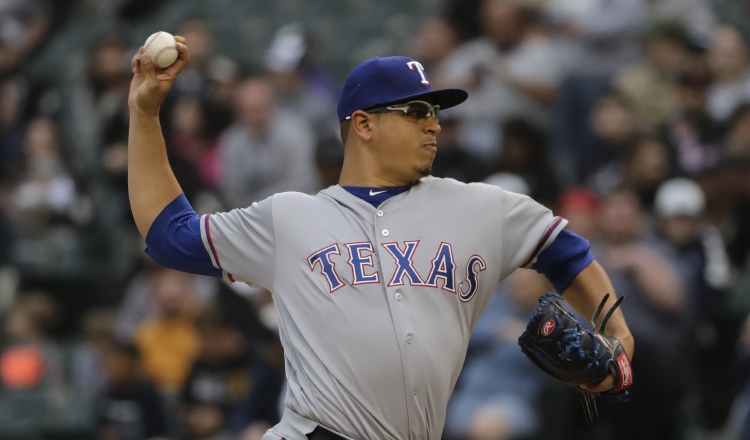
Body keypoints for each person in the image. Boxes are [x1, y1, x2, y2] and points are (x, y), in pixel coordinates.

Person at [126, 37, 634, 440]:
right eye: (416, 111)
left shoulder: (482, 207)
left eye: (436, 112)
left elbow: (569, 254)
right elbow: (169, 236)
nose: (433, 124)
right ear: (363, 124)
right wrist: (146, 116)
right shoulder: (289, 218)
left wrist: (620, 340)